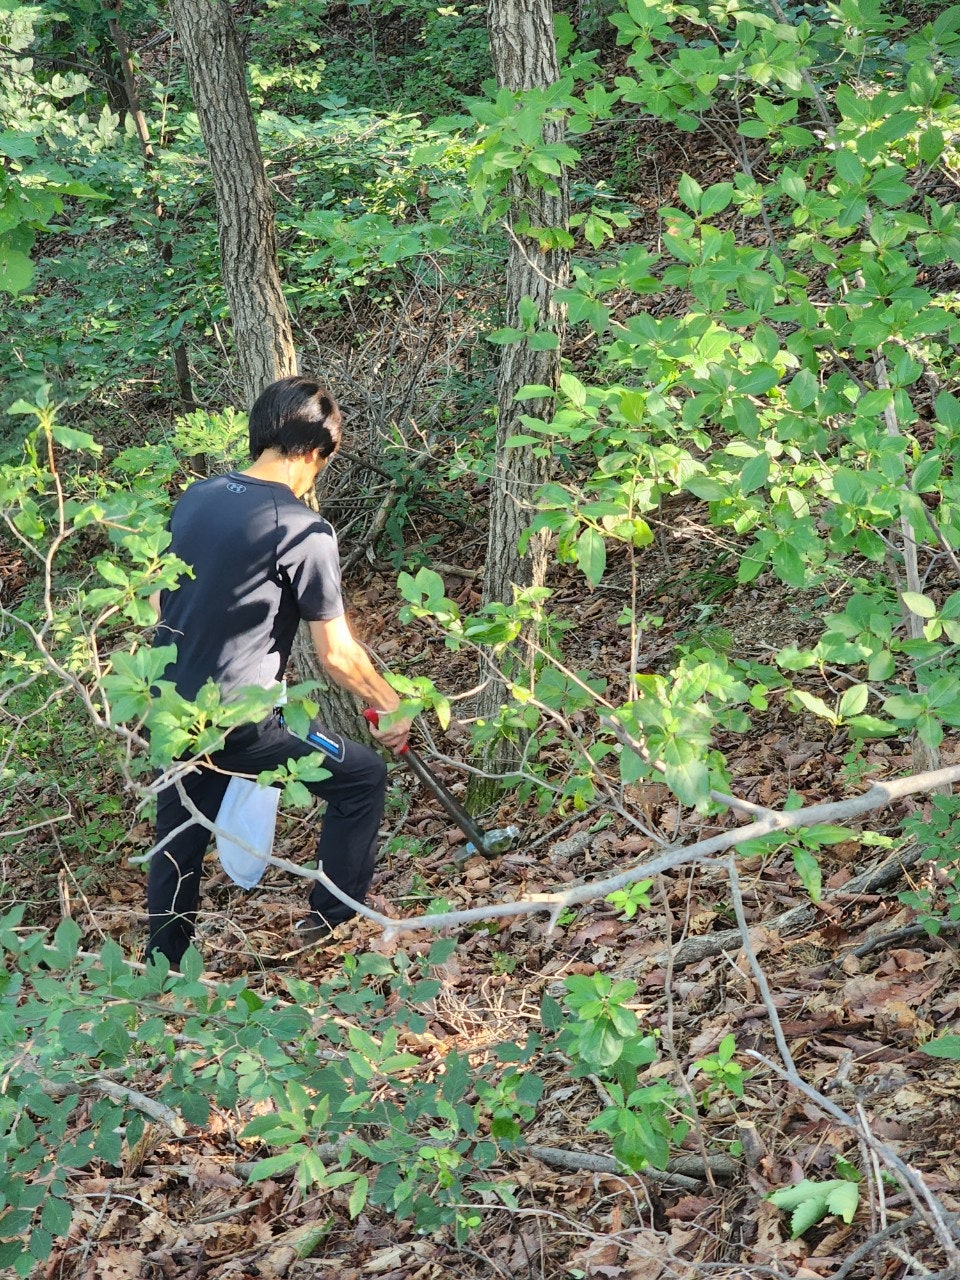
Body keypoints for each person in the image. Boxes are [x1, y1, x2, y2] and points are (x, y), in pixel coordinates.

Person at [146, 375, 411, 967]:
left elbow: (160, 601)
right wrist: (391, 703)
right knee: (361, 777)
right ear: (317, 451)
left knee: (180, 833)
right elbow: (337, 655)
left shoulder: (196, 498)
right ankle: (332, 922)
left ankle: (161, 969)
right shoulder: (303, 530)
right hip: (242, 721)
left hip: (170, 704)